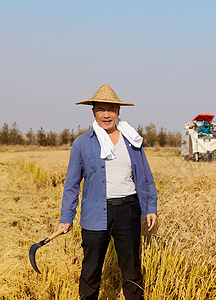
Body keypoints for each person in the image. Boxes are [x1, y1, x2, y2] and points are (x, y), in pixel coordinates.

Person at [57, 83, 158, 300]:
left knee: (131, 270)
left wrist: (151, 207)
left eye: (111, 109)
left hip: (128, 211)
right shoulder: (82, 144)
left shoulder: (132, 141)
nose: (106, 114)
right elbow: (72, 184)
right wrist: (67, 216)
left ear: (118, 111)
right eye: (101, 109)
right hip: (95, 214)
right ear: (93, 111)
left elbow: (146, 177)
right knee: (91, 271)